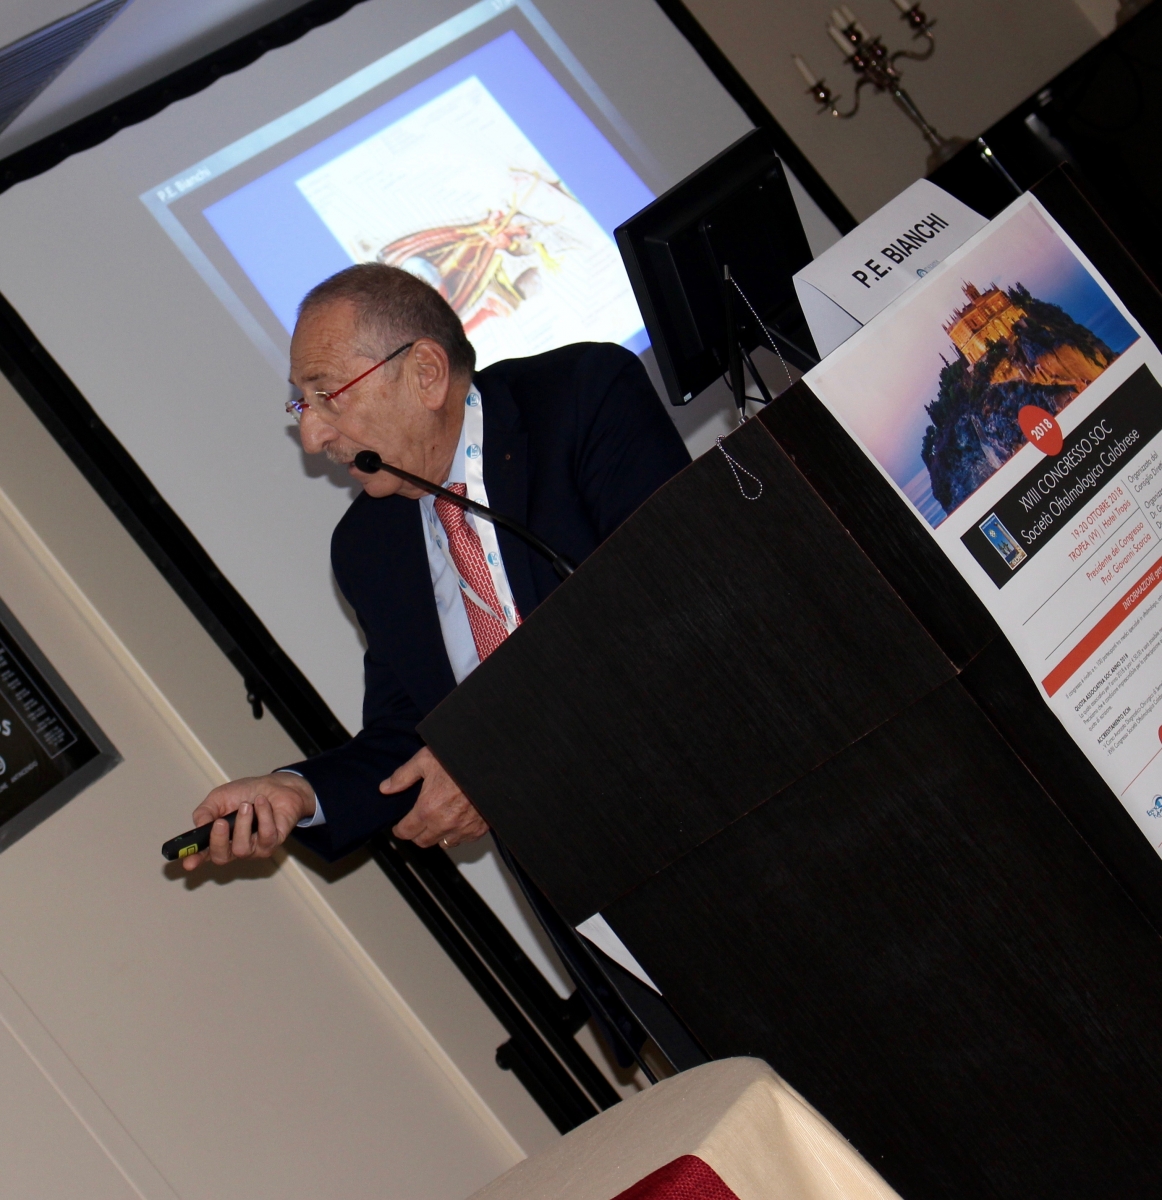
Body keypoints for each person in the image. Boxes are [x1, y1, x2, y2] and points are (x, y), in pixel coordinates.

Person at [182, 263, 690, 870]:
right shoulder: (367, 547)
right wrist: (300, 793)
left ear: (426, 373)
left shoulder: (580, 397)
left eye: (328, 395)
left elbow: (668, 595)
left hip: (713, 771)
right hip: (575, 866)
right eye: (301, 404)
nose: (312, 437)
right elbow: (412, 735)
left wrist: (498, 752)